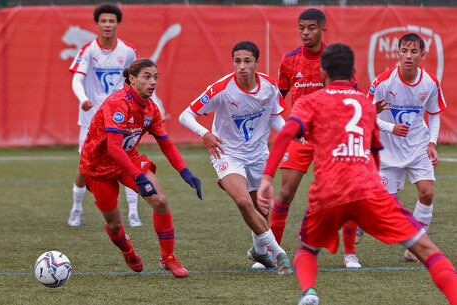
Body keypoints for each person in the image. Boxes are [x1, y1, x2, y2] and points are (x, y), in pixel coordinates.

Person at [257, 43, 457, 305]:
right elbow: (374, 150)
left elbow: (285, 134)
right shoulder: (365, 103)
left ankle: (309, 292)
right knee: (429, 252)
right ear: (352, 72)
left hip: (328, 193)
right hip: (368, 190)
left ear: (323, 73)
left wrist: (267, 179)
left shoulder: (311, 101)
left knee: (306, 250)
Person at [79, 58, 202, 278]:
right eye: (147, 76)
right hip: (98, 167)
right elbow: (114, 148)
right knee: (114, 225)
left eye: (156, 77)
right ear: (132, 79)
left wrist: (185, 171)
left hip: (129, 158)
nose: (153, 81)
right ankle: (127, 249)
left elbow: (165, 143)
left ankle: (169, 259)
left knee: (161, 201)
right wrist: (139, 178)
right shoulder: (118, 102)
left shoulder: (151, 109)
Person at [179, 41, 293, 275]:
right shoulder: (221, 88)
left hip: (259, 154)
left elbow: (274, 118)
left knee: (261, 208)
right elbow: (185, 115)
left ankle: (259, 251)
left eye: (247, 61)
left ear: (257, 63)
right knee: (243, 202)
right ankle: (279, 253)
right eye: (237, 61)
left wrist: (292, 134)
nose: (241, 66)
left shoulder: (269, 86)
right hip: (227, 154)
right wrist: (205, 133)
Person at [270, 8, 361, 268]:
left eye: (311, 27)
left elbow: (352, 94)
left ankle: (350, 253)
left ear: (323, 29)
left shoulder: (336, 60)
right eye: (301, 27)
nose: (305, 32)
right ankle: (273, 252)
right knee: (285, 193)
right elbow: (276, 100)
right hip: (300, 139)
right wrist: (286, 126)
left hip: (332, 138)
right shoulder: (289, 60)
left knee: (346, 193)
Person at [368, 33, 447, 262]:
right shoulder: (383, 81)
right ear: (398, 53)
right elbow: (367, 114)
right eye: (404, 51)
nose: (408, 56)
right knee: (387, 209)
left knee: (427, 192)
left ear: (422, 55)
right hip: (389, 149)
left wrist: (432, 143)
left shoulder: (430, 82)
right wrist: (391, 128)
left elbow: (434, 116)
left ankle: (414, 246)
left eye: (414, 52)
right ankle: (361, 222)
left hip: (417, 146)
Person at [68, 3, 142, 227]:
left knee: (127, 160)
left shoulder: (128, 51)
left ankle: (133, 213)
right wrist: (83, 99)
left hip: (120, 117)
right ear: (98, 24)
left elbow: (139, 80)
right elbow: (76, 79)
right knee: (84, 165)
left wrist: (151, 105)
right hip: (92, 119)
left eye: (111, 21)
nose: (107, 25)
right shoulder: (89, 49)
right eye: (103, 21)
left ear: (117, 24)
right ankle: (76, 209)